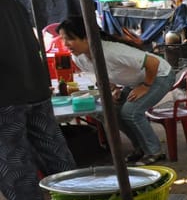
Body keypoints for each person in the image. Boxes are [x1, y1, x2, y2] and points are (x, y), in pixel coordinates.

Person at [0, 0, 76, 200]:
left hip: (5, 98)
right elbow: (34, 45)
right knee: (55, 153)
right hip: (35, 88)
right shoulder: (12, 4)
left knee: (15, 164)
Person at [58, 16, 176, 165]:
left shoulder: (112, 51)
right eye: (62, 39)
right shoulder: (79, 58)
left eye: (70, 38)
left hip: (160, 74)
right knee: (112, 111)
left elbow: (153, 62)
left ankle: (155, 151)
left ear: (86, 37)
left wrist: (145, 86)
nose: (65, 44)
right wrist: (113, 89)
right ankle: (140, 148)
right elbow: (106, 74)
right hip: (136, 80)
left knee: (131, 112)